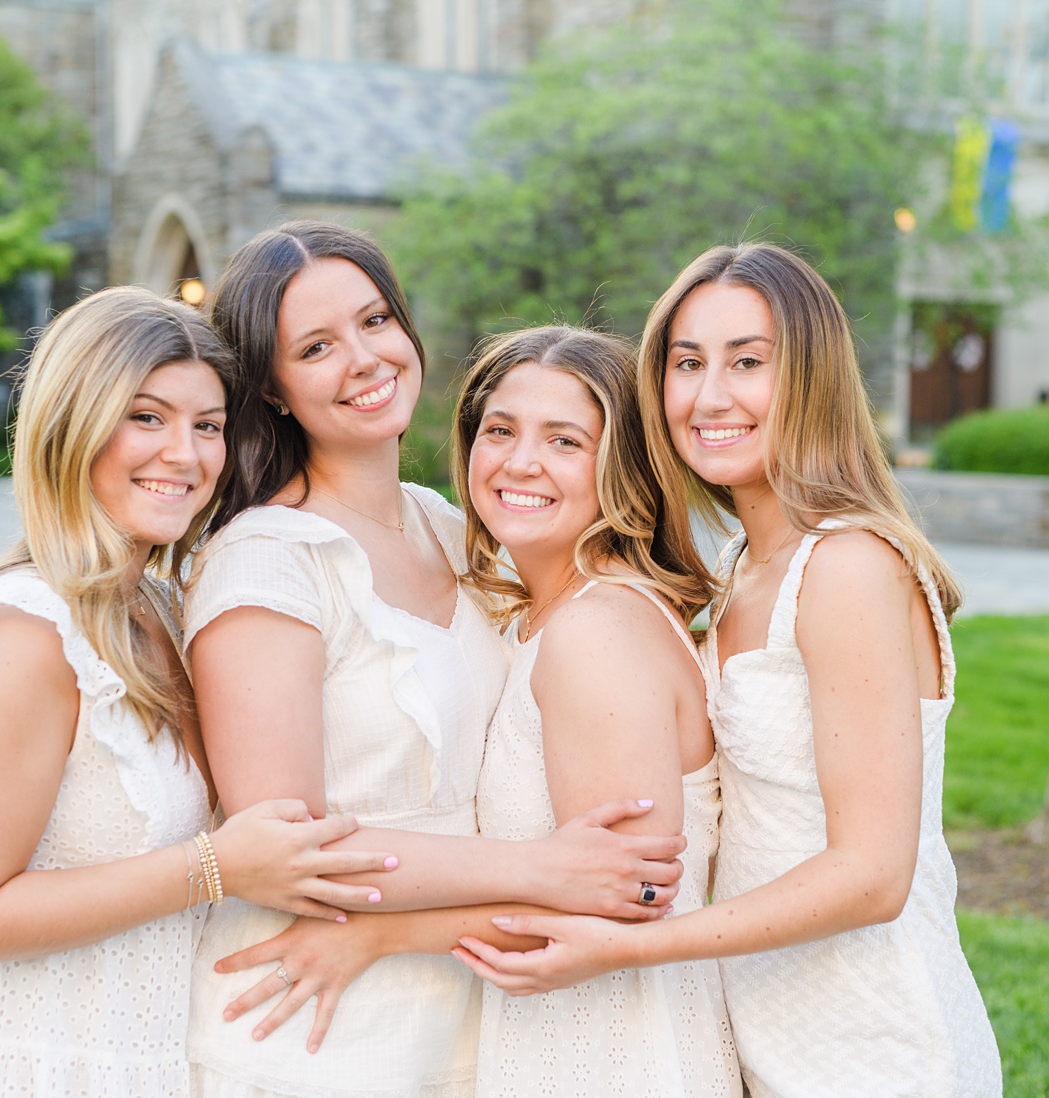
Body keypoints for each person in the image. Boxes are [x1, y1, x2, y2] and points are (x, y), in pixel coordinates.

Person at [461, 243, 1002, 1096]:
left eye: (747, 362)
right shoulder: (750, 563)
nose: (710, 396)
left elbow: (873, 875)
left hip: (869, 1036)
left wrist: (637, 946)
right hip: (764, 1022)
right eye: (686, 363)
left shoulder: (849, 564)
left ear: (812, 377)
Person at [182, 223, 685, 1098]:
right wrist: (539, 868)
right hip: (317, 1033)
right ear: (270, 383)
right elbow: (284, 850)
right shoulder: (268, 562)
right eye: (316, 346)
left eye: (376, 320)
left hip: (478, 1010)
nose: (364, 358)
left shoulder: (453, 529)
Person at [0, 285, 395, 1098]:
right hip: (21, 1062)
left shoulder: (163, 607)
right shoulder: (22, 633)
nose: (185, 455)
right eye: (146, 417)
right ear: (72, 424)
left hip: (146, 1056)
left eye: (207, 425)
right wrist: (214, 867)